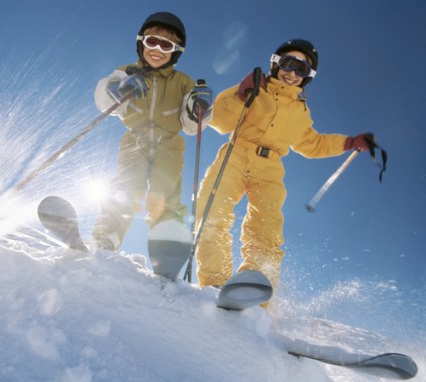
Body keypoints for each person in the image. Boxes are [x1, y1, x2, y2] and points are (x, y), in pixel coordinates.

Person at [195, 39, 373, 301]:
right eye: (288, 64)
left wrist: (348, 143)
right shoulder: (256, 86)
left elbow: (314, 144)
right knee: (212, 210)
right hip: (235, 153)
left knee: (267, 227)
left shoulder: (301, 112)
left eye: (301, 69)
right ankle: (214, 283)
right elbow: (219, 120)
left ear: (307, 77)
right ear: (276, 64)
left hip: (270, 166)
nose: (292, 73)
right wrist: (241, 96)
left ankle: (253, 291)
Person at [91, 11, 213, 251]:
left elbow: (190, 126)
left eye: (165, 44)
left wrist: (200, 108)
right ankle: (106, 236)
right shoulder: (127, 72)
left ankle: (167, 243)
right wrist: (120, 88)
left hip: (169, 144)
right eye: (151, 41)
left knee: (165, 192)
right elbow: (103, 99)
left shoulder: (184, 82)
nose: (157, 49)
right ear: (141, 43)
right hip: (134, 141)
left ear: (175, 51)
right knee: (125, 187)